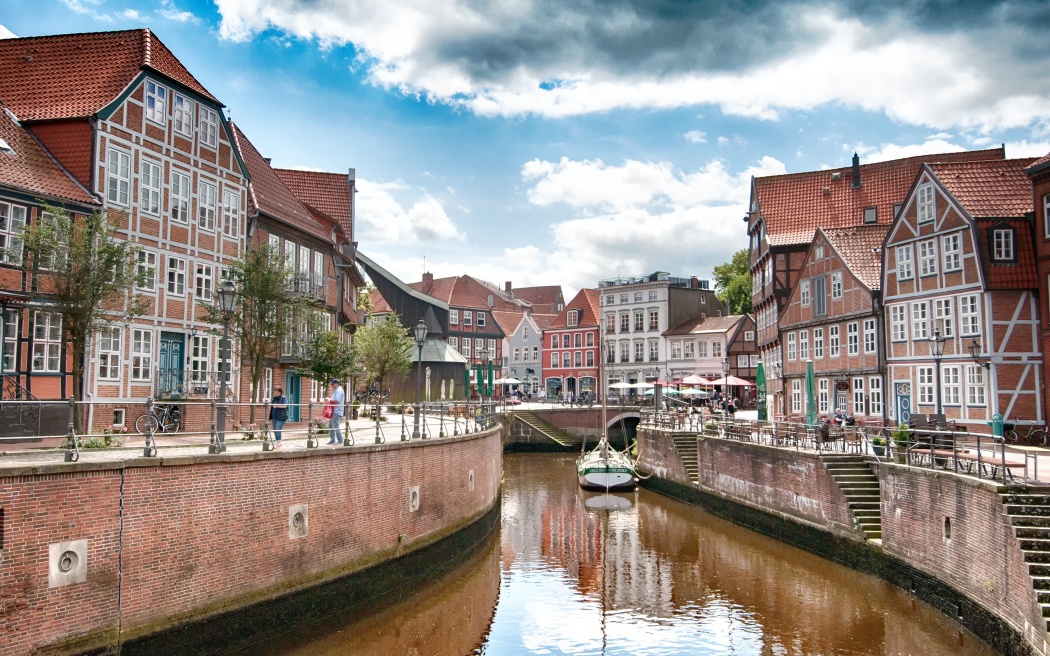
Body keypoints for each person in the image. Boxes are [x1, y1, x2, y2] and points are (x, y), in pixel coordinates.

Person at [327, 379, 345, 444]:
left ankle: (340, 440)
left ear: (336, 383)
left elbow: (337, 400)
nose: (332, 386)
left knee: (336, 426)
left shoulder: (339, 391)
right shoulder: (337, 391)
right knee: (330, 426)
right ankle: (332, 439)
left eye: (332, 384)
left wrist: (329, 400)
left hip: (337, 411)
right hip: (334, 411)